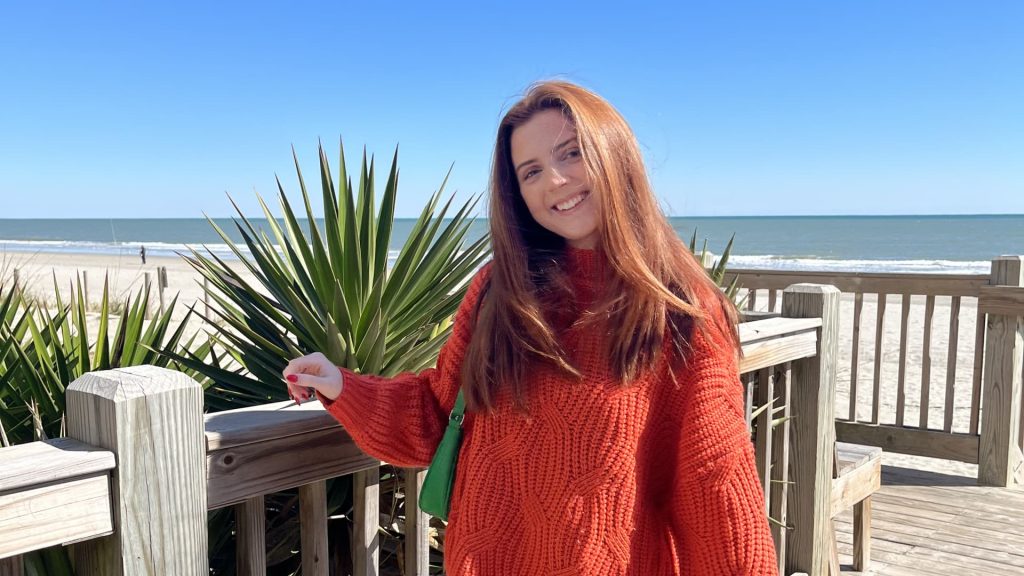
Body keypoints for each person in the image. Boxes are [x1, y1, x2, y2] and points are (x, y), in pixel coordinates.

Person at [283, 81, 777, 575]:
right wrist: (341, 384)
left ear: (615, 153)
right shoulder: (498, 291)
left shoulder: (682, 312)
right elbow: (436, 414)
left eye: (571, 153)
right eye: (531, 171)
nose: (555, 181)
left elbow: (717, 491)